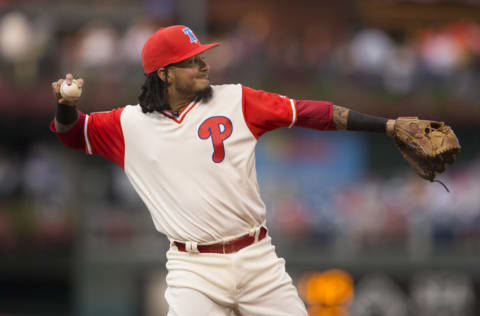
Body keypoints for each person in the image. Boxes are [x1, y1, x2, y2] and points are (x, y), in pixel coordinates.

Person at [50, 25, 404, 316]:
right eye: (191, 61)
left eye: (201, 57)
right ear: (164, 74)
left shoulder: (236, 99)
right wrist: (65, 106)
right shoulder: (128, 124)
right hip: (194, 269)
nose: (203, 65)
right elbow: (73, 133)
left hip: (257, 258)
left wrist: (387, 126)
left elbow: (312, 113)